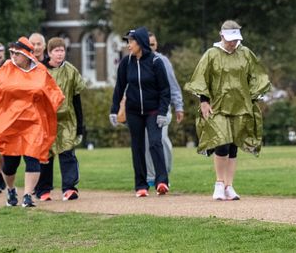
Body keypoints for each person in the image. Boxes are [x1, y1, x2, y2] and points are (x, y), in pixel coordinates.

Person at [185, 20, 271, 203]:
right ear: (221, 35)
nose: (232, 43)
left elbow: (257, 77)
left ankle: (229, 186)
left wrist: (254, 98)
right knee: (221, 142)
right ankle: (219, 183)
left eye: (235, 39)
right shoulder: (211, 54)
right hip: (218, 106)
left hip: (240, 106)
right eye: (229, 39)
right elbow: (202, 78)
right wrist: (204, 101)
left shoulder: (245, 53)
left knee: (233, 145)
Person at [0, 37, 64, 208]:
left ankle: (27, 196)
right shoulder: (6, 68)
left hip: (33, 122)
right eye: (11, 53)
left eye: (16, 53)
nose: (13, 56)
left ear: (26, 55)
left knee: (33, 158)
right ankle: (11, 190)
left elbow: (54, 94)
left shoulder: (40, 71)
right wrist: (1, 109)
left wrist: (45, 111)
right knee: (10, 165)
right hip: (10, 123)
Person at [109, 27, 172, 197]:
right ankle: (141, 185)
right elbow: (119, 88)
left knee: (154, 143)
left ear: (141, 42)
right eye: (127, 41)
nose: (128, 45)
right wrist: (114, 110)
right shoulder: (126, 62)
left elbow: (165, 90)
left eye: (131, 41)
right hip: (133, 111)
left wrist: (162, 112)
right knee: (137, 147)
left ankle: (162, 181)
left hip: (153, 111)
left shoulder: (155, 62)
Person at [34, 37, 86, 201]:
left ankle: (69, 188)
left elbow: (76, 99)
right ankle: (43, 189)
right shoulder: (41, 71)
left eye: (62, 50)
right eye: (56, 50)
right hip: (45, 120)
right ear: (49, 53)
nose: (59, 54)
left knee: (67, 152)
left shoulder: (71, 71)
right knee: (45, 156)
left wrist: (80, 124)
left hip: (67, 119)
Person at [143, 31, 184, 187]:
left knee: (160, 139)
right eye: (148, 45)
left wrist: (178, 106)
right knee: (147, 142)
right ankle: (151, 176)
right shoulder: (137, 62)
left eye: (153, 44)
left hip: (162, 108)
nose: (151, 48)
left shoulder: (163, 61)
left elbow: (173, 86)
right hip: (144, 110)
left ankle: (164, 172)